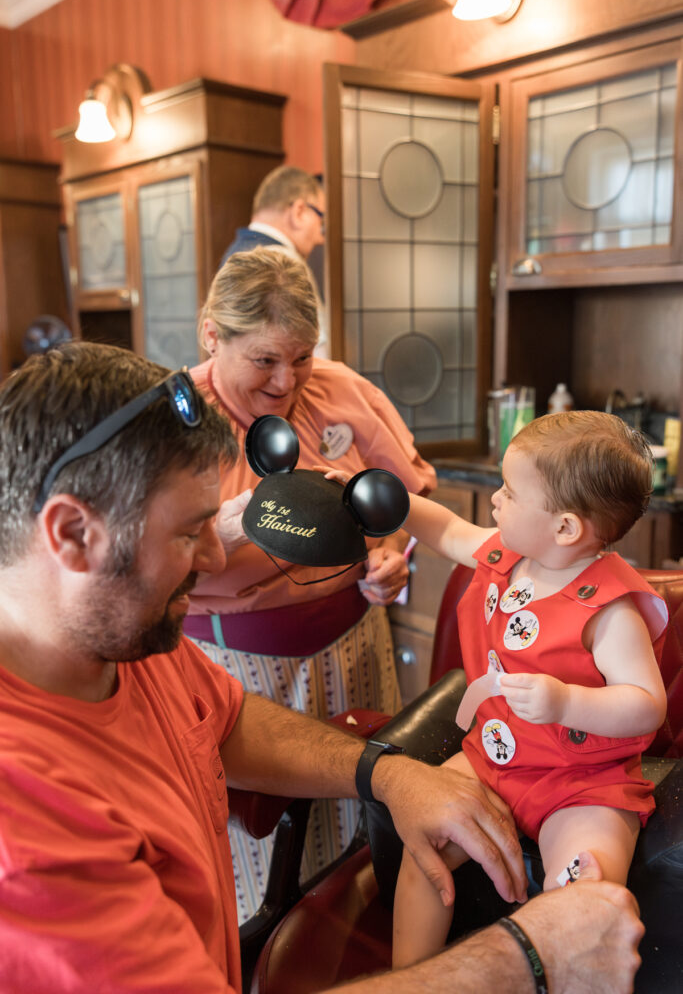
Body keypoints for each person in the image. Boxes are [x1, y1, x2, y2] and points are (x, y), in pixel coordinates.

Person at [0, 341, 645, 994]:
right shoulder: (27, 843)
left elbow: (222, 721)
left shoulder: (124, 648)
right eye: (188, 534)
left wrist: (384, 772)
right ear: (74, 534)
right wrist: (527, 957)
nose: (216, 562)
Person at [185, 245, 437, 922]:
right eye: (264, 359)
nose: (285, 380)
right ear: (213, 334)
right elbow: (131, 567)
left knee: (365, 831)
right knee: (263, 862)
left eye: (300, 356)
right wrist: (226, 531)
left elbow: (405, 496)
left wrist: (389, 555)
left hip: (355, 644)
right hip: (235, 672)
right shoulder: (173, 423)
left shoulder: (338, 389)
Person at [375, 410, 667, 969]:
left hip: (582, 782)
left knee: (585, 889)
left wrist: (566, 701)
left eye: (509, 492)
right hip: (493, 756)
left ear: (564, 527)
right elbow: (446, 530)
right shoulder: (507, 553)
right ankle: (408, 978)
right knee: (425, 847)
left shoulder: (610, 608)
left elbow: (646, 705)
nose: (494, 501)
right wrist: (393, 501)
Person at [220, 165, 328, 356]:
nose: (321, 237)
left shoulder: (234, 253)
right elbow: (318, 349)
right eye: (321, 218)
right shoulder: (284, 263)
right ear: (299, 212)